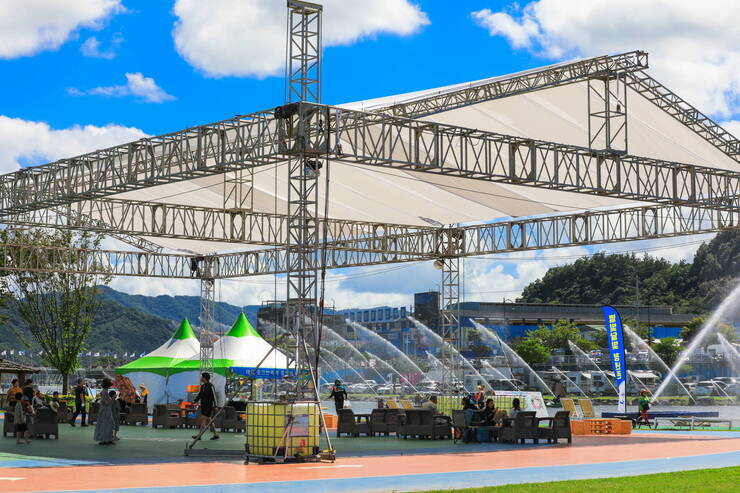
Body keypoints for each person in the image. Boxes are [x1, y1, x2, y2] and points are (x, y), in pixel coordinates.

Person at [192, 372, 220, 441]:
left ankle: (199, 436)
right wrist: (195, 401)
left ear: (204, 378)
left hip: (208, 406)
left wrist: (216, 406)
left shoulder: (210, 386)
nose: (201, 378)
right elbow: (200, 395)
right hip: (203, 405)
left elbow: (214, 396)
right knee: (209, 421)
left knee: (203, 420)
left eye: (202, 377)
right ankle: (216, 434)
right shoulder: (203, 386)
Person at [93, 378, 115, 445]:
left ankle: (105, 439)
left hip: (103, 410)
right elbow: (106, 403)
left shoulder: (103, 391)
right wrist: (113, 398)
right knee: (107, 424)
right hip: (106, 410)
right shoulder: (105, 392)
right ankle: (106, 439)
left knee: (104, 424)